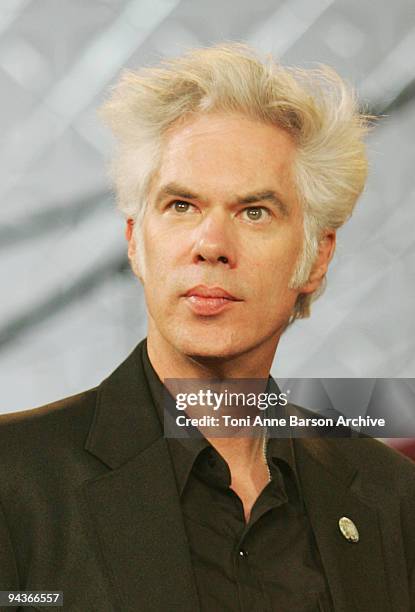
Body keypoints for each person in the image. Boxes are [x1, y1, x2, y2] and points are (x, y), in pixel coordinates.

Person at [0, 43, 414, 612]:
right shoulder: (14, 481)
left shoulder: (390, 497)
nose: (211, 246)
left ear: (316, 258)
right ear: (133, 240)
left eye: (255, 212)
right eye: (182, 206)